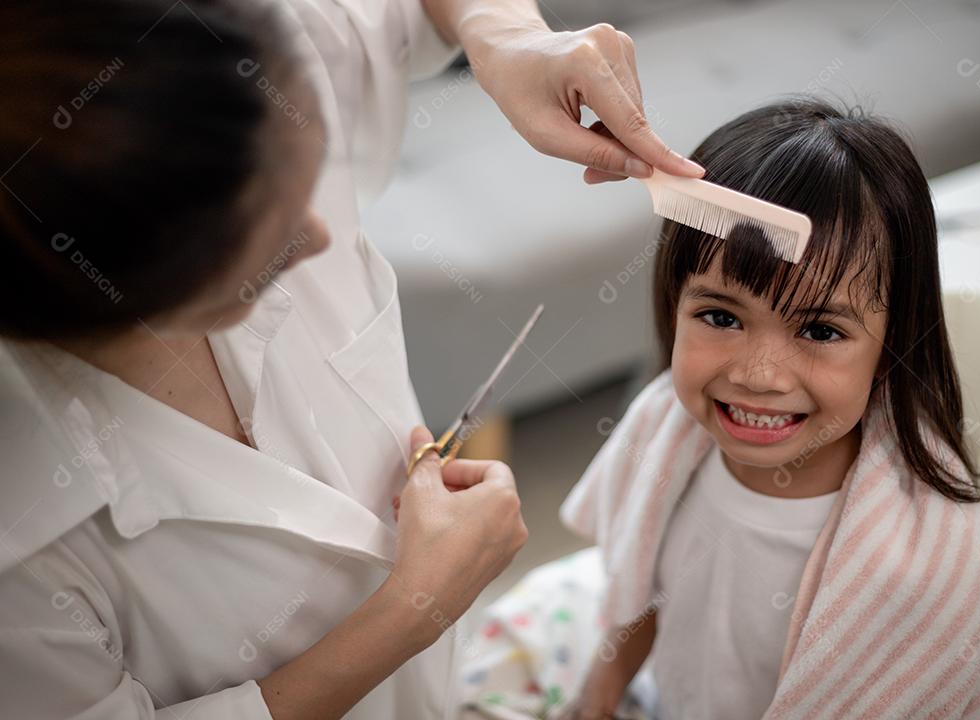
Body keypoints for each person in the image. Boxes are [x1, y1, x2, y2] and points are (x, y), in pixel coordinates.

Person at [0, 0, 704, 718]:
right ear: (126, 283)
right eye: (267, 239)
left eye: (309, 181)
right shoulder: (22, 544)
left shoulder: (235, 45)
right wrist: (414, 610)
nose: (319, 236)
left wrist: (509, 38)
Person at [558, 98, 980, 719]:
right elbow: (638, 598)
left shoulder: (915, 565)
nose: (758, 376)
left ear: (894, 345)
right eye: (721, 317)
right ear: (674, 305)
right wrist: (593, 704)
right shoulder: (661, 434)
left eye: (821, 331)